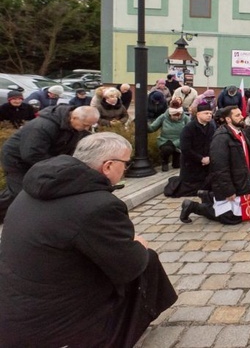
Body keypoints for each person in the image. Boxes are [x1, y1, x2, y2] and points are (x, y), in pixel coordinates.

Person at [0, 133, 177, 347]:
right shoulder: (99, 205)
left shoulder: (31, 189)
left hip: (16, 305)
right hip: (54, 324)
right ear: (108, 166)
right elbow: (129, 266)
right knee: (146, 259)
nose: (126, 169)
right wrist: (137, 244)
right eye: (126, 163)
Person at [0, 105, 99, 224]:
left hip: (42, 156)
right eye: (85, 125)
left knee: (20, 191)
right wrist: (56, 167)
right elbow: (32, 153)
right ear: (74, 118)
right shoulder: (42, 126)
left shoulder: (74, 127)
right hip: (17, 159)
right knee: (22, 192)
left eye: (90, 125)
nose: (86, 128)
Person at [179, 106, 250, 224]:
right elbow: (220, 167)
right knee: (230, 218)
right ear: (228, 119)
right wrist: (228, 190)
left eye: (241, 114)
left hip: (239, 179)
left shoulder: (240, 133)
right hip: (229, 182)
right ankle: (193, 206)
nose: (242, 117)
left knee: (244, 211)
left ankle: (208, 196)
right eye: (237, 115)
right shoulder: (221, 137)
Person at [164, 102, 216, 197]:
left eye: (210, 113)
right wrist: (201, 159)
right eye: (206, 113)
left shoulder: (212, 127)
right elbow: (185, 149)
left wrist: (209, 157)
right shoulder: (189, 128)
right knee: (191, 188)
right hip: (191, 164)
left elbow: (214, 145)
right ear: (198, 114)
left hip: (207, 163)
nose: (209, 115)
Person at [148, 103, 190, 172]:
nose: (176, 117)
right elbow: (152, 128)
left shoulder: (185, 118)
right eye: (174, 115)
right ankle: (165, 162)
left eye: (178, 115)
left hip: (179, 141)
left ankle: (176, 160)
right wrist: (146, 125)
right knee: (167, 149)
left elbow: (189, 131)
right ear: (170, 114)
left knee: (177, 165)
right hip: (165, 140)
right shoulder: (163, 117)